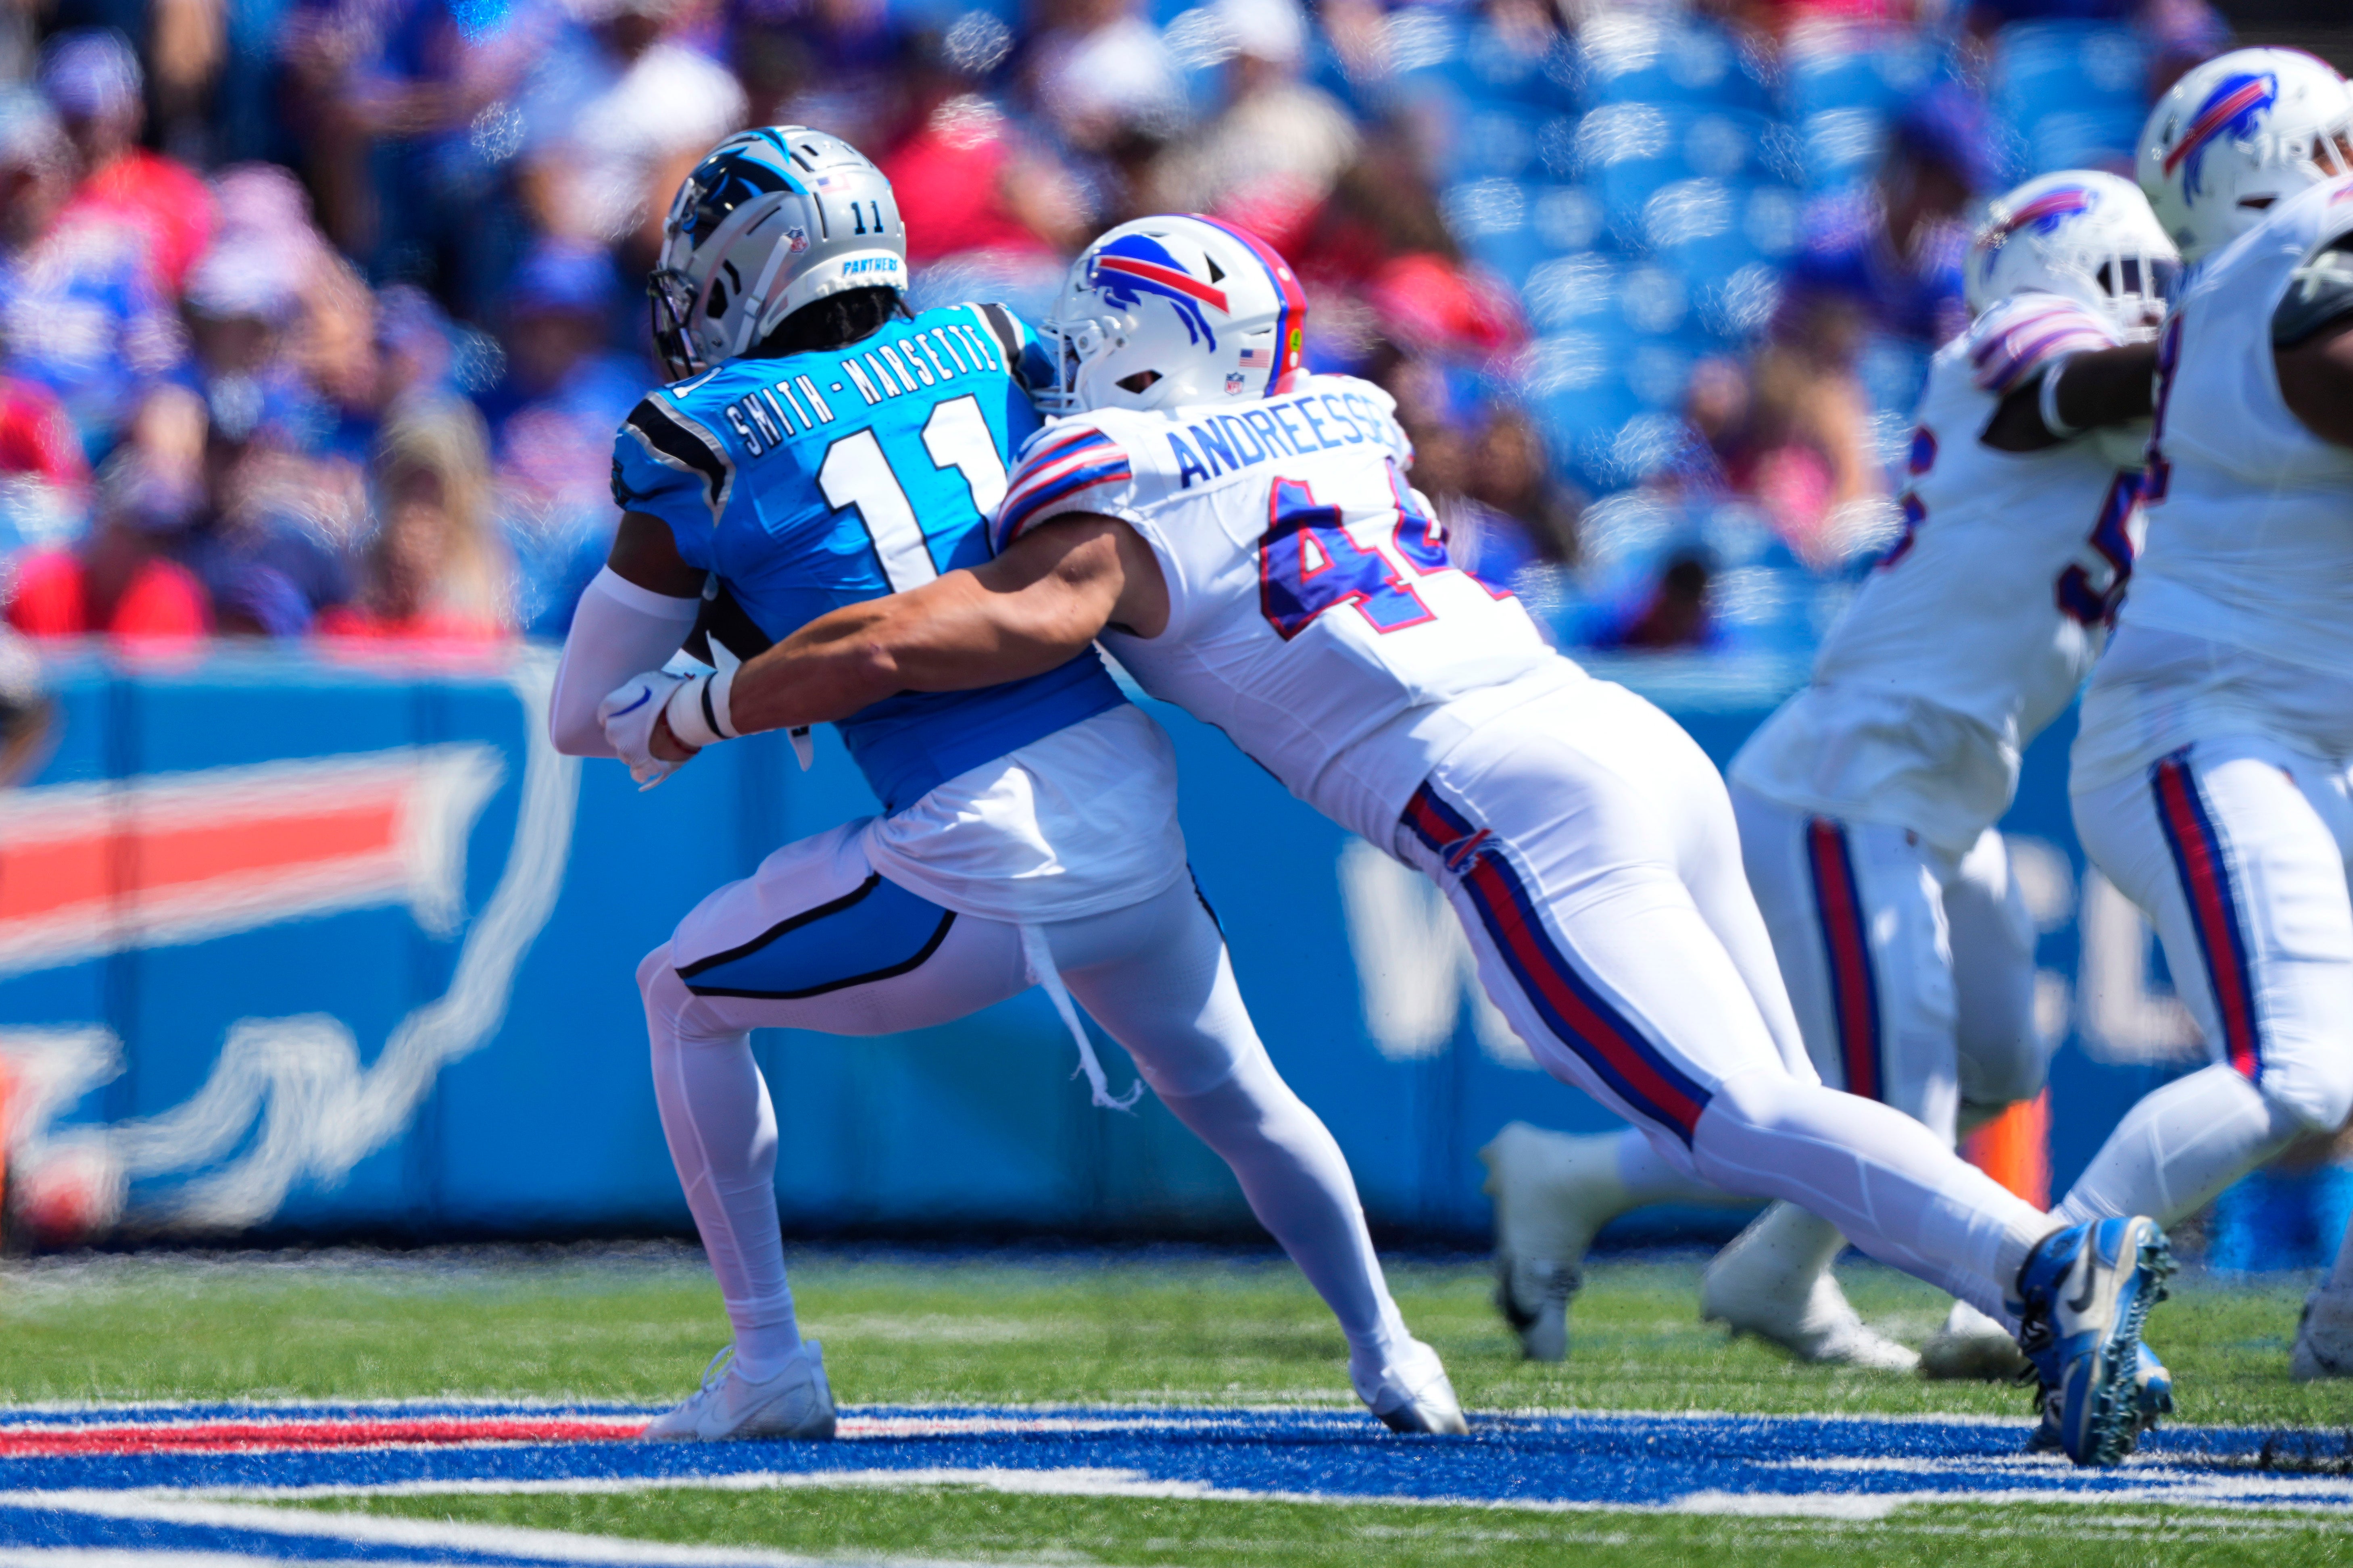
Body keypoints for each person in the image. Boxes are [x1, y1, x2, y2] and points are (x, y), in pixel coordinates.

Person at [622, 213, 2176, 1468]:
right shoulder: (1347, 421)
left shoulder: (1117, 481)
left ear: (1151, 354)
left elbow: (961, 627)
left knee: (1738, 1113)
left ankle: (2051, 1265)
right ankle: (2047, 1289)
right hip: (1620, 737)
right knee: (1778, 1122)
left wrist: (717, 695)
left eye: (1098, 329)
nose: (1065, 352)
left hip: (1498, 798)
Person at [554, 130, 1461, 1442]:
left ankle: (767, 1365)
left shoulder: (691, 440)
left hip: (974, 855)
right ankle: (1393, 1352)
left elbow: (583, 718)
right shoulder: (998, 342)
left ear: (752, 261)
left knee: (681, 997)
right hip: (1126, 798)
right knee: (1248, 1102)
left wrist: (710, 667)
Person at [1481, 171, 2182, 1387]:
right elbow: (2080, 381)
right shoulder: (2009, 353)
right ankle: (2004, 1304)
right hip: (1852, 781)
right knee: (1878, 1109)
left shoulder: (2132, 415)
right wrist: (2239, 336)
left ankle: (1643, 1208)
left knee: (2001, 1064)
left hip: (1944, 794)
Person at [2044, 49, 2353, 1383]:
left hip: (2266, 726)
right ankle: (2039, 1272)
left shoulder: (2233, 274)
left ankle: (2339, 1331)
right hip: (2209, 724)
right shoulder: (2300, 249)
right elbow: (2331, 358)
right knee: (2298, 1078)